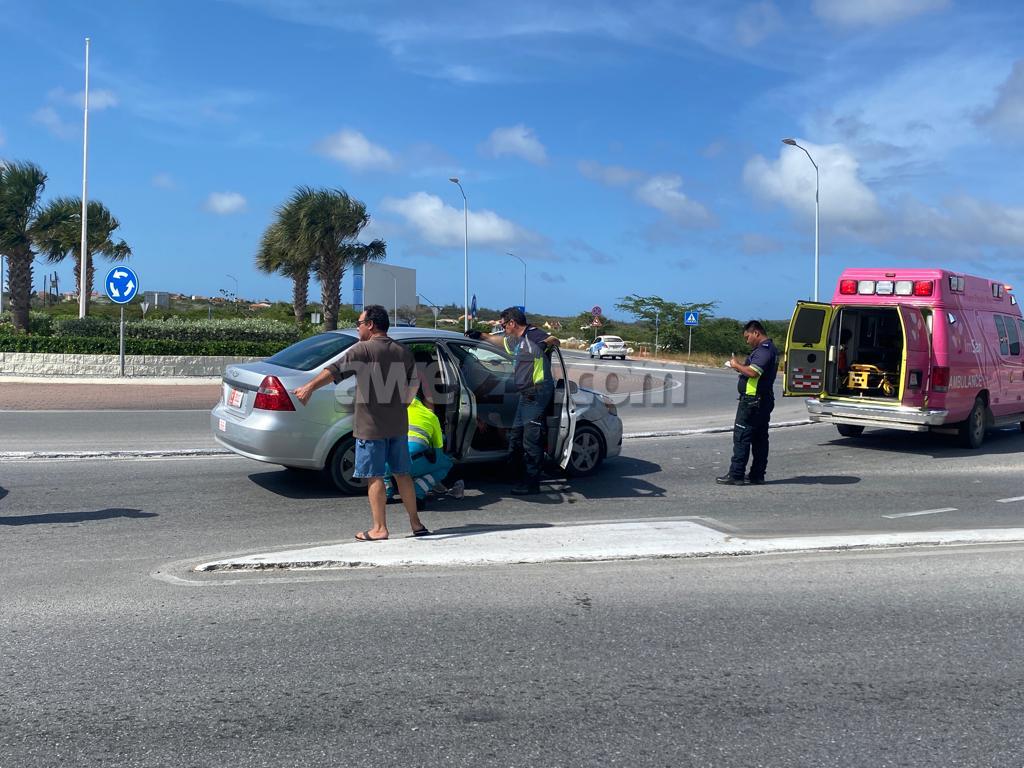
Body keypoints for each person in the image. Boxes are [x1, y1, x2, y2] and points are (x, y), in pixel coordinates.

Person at [292, 304, 429, 541]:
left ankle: (379, 528)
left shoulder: (363, 350)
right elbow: (415, 381)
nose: (358, 328)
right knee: (403, 474)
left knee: (374, 476)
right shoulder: (402, 351)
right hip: (397, 425)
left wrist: (309, 387)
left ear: (371, 325)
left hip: (371, 427)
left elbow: (334, 370)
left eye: (359, 323)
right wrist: (404, 403)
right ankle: (416, 524)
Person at [466, 306, 560, 495]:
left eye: (503, 325)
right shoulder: (515, 339)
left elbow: (555, 340)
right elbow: (500, 342)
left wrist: (543, 345)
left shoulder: (534, 334)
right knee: (516, 437)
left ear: (512, 323)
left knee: (531, 440)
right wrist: (481, 336)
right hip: (525, 394)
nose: (502, 328)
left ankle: (532, 483)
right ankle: (513, 475)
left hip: (537, 393)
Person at [717, 320, 779, 486]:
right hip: (762, 400)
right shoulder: (770, 349)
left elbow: (753, 372)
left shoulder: (763, 351)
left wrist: (736, 365)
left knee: (742, 437)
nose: (747, 341)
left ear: (756, 333)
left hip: (753, 402)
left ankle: (736, 474)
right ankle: (757, 475)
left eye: (747, 337)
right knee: (759, 439)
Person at [385, 394, 464, 505]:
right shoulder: (430, 416)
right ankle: (418, 491)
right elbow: (438, 450)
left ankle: (386, 493)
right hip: (411, 463)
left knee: (382, 457)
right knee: (446, 464)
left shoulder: (389, 412)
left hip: (387, 464)